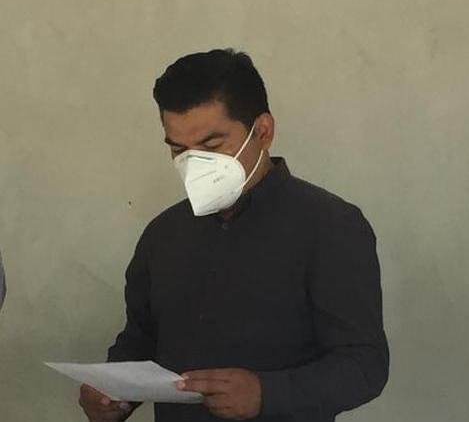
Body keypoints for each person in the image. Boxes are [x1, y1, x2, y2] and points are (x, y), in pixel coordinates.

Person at [78, 48, 390, 422]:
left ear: (263, 132)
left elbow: (364, 364)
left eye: (212, 146)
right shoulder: (163, 234)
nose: (194, 163)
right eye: (179, 150)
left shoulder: (331, 226)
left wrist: (267, 393)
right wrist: (112, 393)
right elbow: (141, 339)